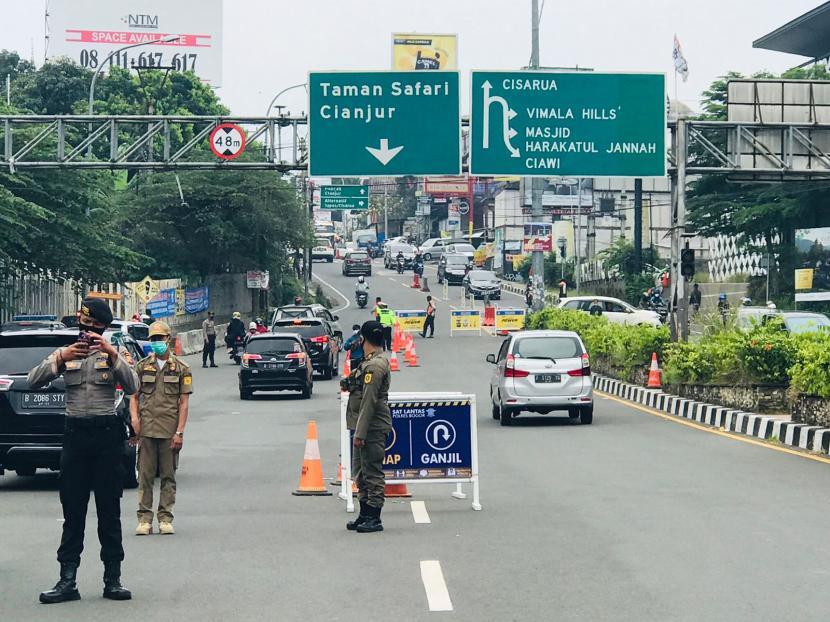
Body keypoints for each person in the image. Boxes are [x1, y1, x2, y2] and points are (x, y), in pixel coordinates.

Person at [29, 298, 140, 604]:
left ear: (102, 327)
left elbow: (133, 386)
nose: (87, 331)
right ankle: (67, 580)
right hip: (75, 437)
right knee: (73, 512)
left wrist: (112, 353)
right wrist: (61, 357)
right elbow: (32, 379)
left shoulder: (116, 352)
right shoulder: (66, 353)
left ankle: (113, 579)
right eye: (83, 325)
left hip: (107, 438)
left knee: (109, 511)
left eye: (93, 326)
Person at [130, 321, 192, 537]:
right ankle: (144, 519)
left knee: (168, 476)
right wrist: (135, 419)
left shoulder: (182, 368)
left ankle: (165, 518)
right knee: (145, 476)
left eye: (160, 339)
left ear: (169, 339)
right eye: (153, 340)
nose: (157, 343)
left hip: (169, 430)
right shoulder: (142, 366)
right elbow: (134, 396)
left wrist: (180, 432)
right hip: (146, 430)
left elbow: (183, 403)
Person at [344, 321, 391, 533]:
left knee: (372, 472)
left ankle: (374, 517)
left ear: (362, 339)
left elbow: (368, 402)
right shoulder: (370, 362)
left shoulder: (374, 366)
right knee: (360, 472)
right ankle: (364, 514)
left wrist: (360, 433)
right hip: (363, 425)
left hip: (371, 427)